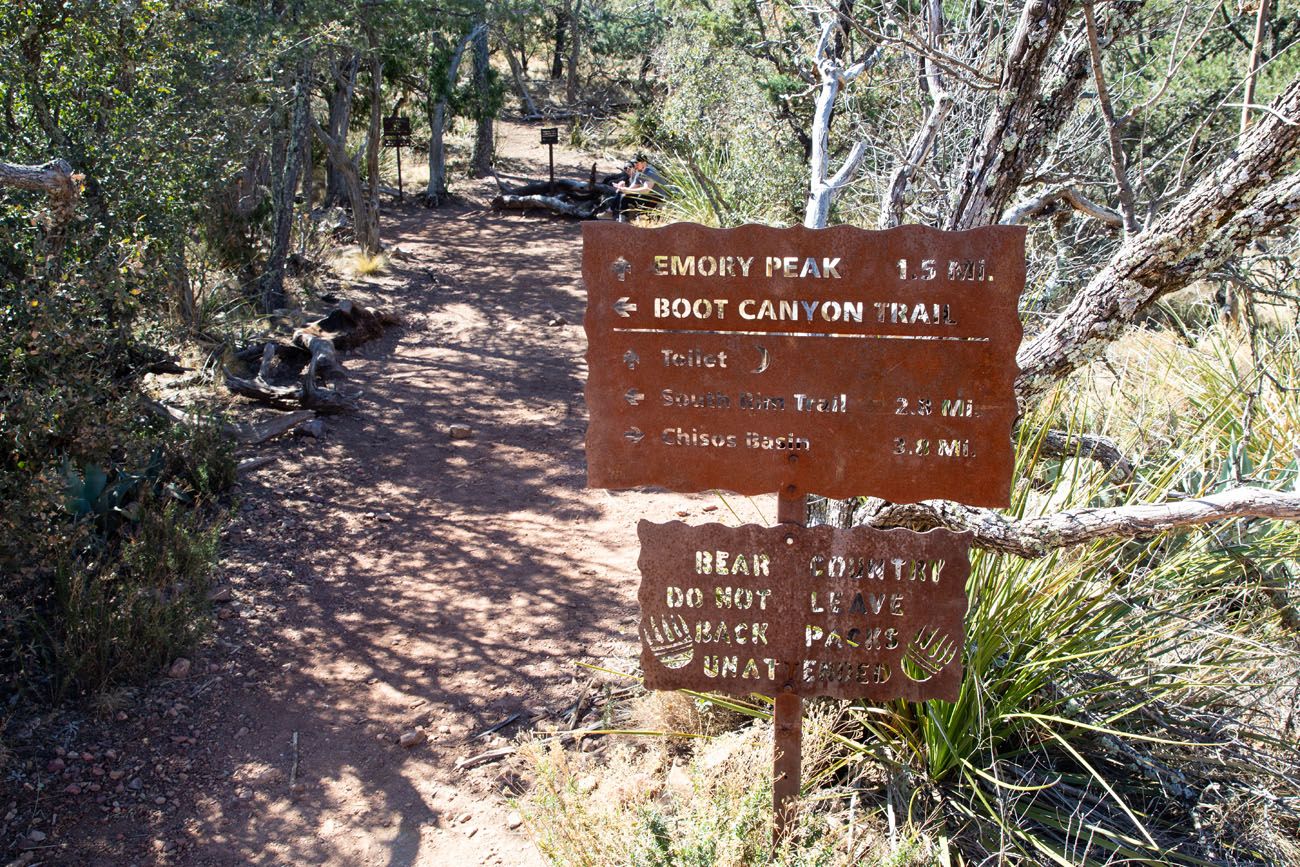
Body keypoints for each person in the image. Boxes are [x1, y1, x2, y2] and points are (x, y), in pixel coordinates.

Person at [609, 154, 665, 222]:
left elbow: (646, 190)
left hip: (659, 198)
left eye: (637, 163)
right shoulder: (639, 173)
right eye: (634, 163)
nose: (635, 165)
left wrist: (627, 190)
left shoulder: (651, 172)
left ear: (644, 163)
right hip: (649, 196)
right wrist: (622, 188)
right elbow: (632, 188)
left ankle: (641, 219)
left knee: (640, 196)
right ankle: (621, 220)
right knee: (625, 196)